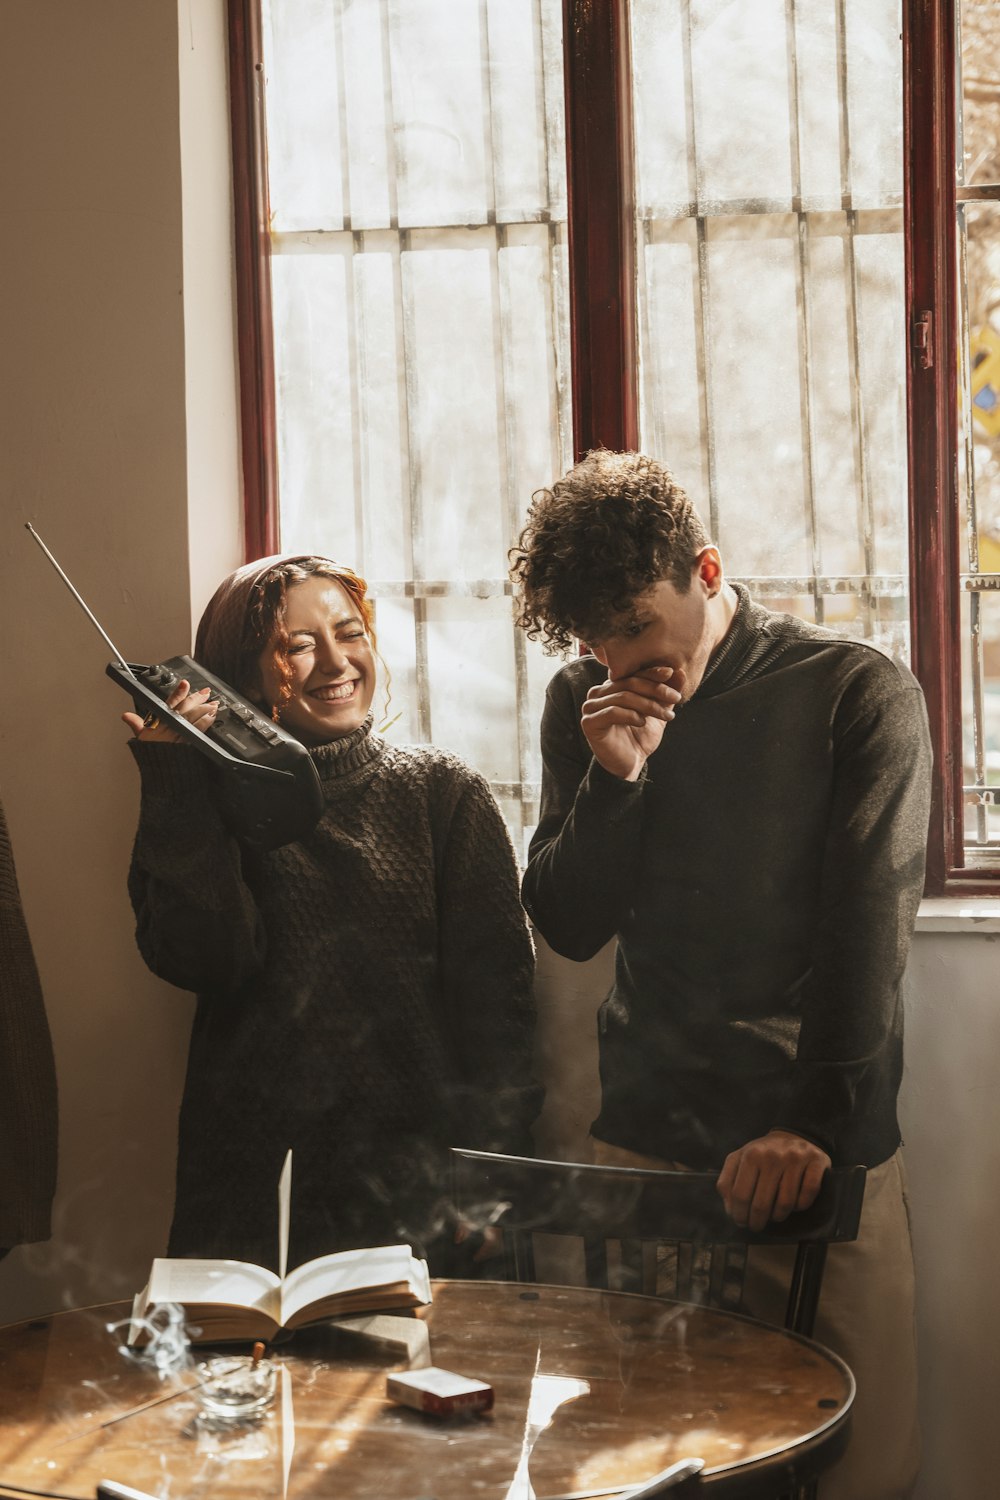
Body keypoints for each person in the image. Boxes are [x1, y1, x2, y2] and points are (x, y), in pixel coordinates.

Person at [510, 449, 930, 1500]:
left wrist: (816, 1127)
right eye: (593, 639)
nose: (618, 658)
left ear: (704, 569)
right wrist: (613, 781)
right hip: (651, 1141)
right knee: (651, 1464)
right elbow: (565, 925)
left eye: (638, 629)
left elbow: (866, 930)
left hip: (812, 1144)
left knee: (861, 1466)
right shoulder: (584, 697)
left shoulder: (850, 691)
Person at [123, 553, 540, 1274]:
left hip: (424, 1190)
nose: (336, 662)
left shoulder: (444, 793)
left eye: (350, 633)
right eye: (297, 645)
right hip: (250, 1193)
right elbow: (204, 960)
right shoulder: (203, 805)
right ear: (238, 674)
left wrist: (490, 1175)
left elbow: (498, 1012)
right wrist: (172, 778)